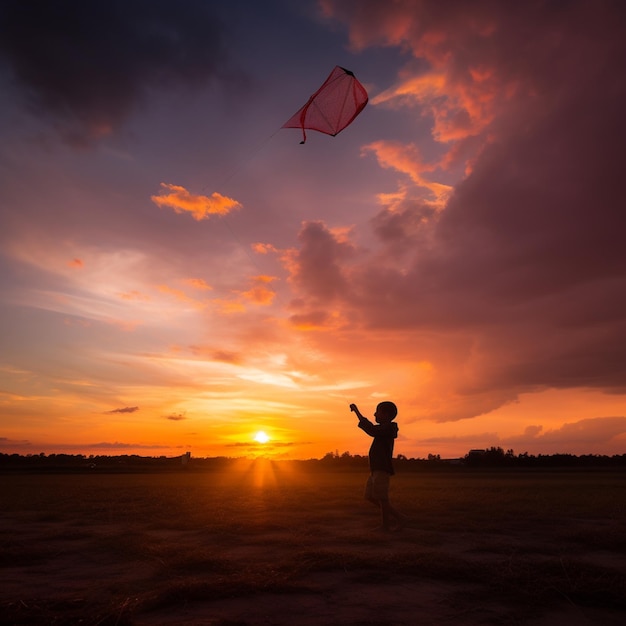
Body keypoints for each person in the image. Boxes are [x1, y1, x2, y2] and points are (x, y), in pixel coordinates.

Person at [350, 401, 405, 531]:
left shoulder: (388, 429)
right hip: (375, 469)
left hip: (382, 469)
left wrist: (357, 412)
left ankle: (386, 525)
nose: (375, 414)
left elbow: (372, 430)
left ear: (386, 415)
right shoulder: (384, 429)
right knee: (370, 496)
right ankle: (399, 517)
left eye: (377, 411)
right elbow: (373, 430)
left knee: (382, 498)